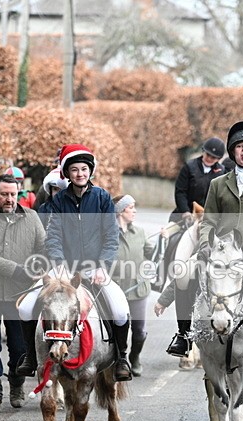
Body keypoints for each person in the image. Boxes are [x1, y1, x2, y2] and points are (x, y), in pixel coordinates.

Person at [166, 121, 243, 356]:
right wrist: (205, 245)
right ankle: (183, 335)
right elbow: (209, 220)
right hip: (221, 252)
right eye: (239, 146)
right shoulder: (218, 184)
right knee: (184, 276)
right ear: (232, 151)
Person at [16, 143, 133, 382]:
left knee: (120, 309)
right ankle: (30, 356)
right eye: (74, 170)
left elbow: (111, 237)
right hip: (63, 270)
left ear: (90, 171)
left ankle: (121, 358)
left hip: (95, 269)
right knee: (26, 307)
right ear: (67, 174)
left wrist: (102, 266)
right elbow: (54, 236)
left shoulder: (102, 198)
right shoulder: (59, 202)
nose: (80, 174)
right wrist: (58, 264)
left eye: (83, 169)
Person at [0, 174, 46, 413]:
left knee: (19, 345)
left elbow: (42, 250)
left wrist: (38, 268)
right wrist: (16, 270)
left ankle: (16, 386)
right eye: (4, 194)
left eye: (13, 194)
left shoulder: (32, 218)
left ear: (19, 194)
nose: (9, 199)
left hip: (20, 295)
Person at [112, 194, 155, 377]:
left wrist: (163, 240)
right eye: (131, 207)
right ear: (121, 211)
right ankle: (117, 360)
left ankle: (135, 357)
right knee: (116, 330)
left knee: (139, 331)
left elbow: (150, 253)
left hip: (138, 289)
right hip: (116, 291)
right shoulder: (108, 235)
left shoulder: (140, 232)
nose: (135, 211)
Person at [171, 137, 226, 223]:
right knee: (167, 233)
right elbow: (180, 192)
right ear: (203, 152)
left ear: (218, 159)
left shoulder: (221, 172)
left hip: (208, 218)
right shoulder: (189, 167)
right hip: (186, 214)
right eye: (208, 155)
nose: (209, 159)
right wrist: (185, 211)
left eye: (213, 157)